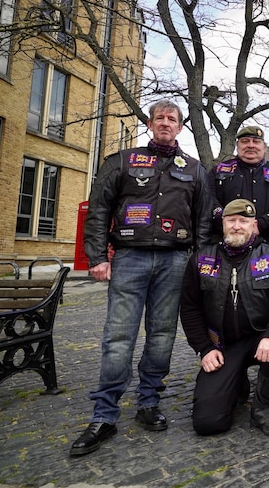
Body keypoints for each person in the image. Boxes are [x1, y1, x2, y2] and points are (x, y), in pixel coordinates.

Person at [71, 99, 213, 457]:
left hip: (175, 262)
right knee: (118, 336)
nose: (166, 123)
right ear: (150, 123)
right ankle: (104, 414)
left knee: (163, 335)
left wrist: (198, 262)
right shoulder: (121, 161)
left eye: (172, 119)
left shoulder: (194, 170)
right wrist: (98, 257)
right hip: (130, 259)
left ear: (180, 127)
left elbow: (203, 223)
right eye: (160, 118)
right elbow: (99, 209)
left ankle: (149, 401)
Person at [179, 199, 269, 436]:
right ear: (222, 223)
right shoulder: (200, 259)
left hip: (261, 338)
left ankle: (263, 409)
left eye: (243, 221)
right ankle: (237, 383)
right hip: (223, 346)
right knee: (208, 423)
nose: (237, 226)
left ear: (253, 225)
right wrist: (204, 349)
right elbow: (190, 308)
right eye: (231, 220)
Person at [209, 125, 269, 247]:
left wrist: (260, 225)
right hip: (225, 242)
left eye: (256, 141)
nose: (250, 145)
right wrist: (230, 223)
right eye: (245, 141)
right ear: (237, 146)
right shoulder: (218, 171)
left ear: (264, 147)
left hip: (268, 244)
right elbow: (208, 200)